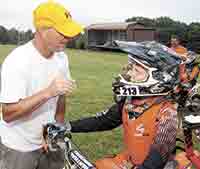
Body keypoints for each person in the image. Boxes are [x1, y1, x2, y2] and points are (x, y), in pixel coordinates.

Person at [50, 41, 182, 169]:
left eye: (137, 71)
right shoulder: (130, 101)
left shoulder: (167, 112)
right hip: (128, 161)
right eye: (131, 68)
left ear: (158, 79)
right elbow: (104, 120)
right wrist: (67, 126)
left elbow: (160, 152)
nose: (130, 74)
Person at [0, 1, 83, 169]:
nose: (68, 38)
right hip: (19, 148)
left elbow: (61, 97)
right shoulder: (18, 62)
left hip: (50, 140)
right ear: (43, 30)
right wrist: (48, 92)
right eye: (63, 32)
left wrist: (57, 130)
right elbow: (8, 114)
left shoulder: (61, 58)